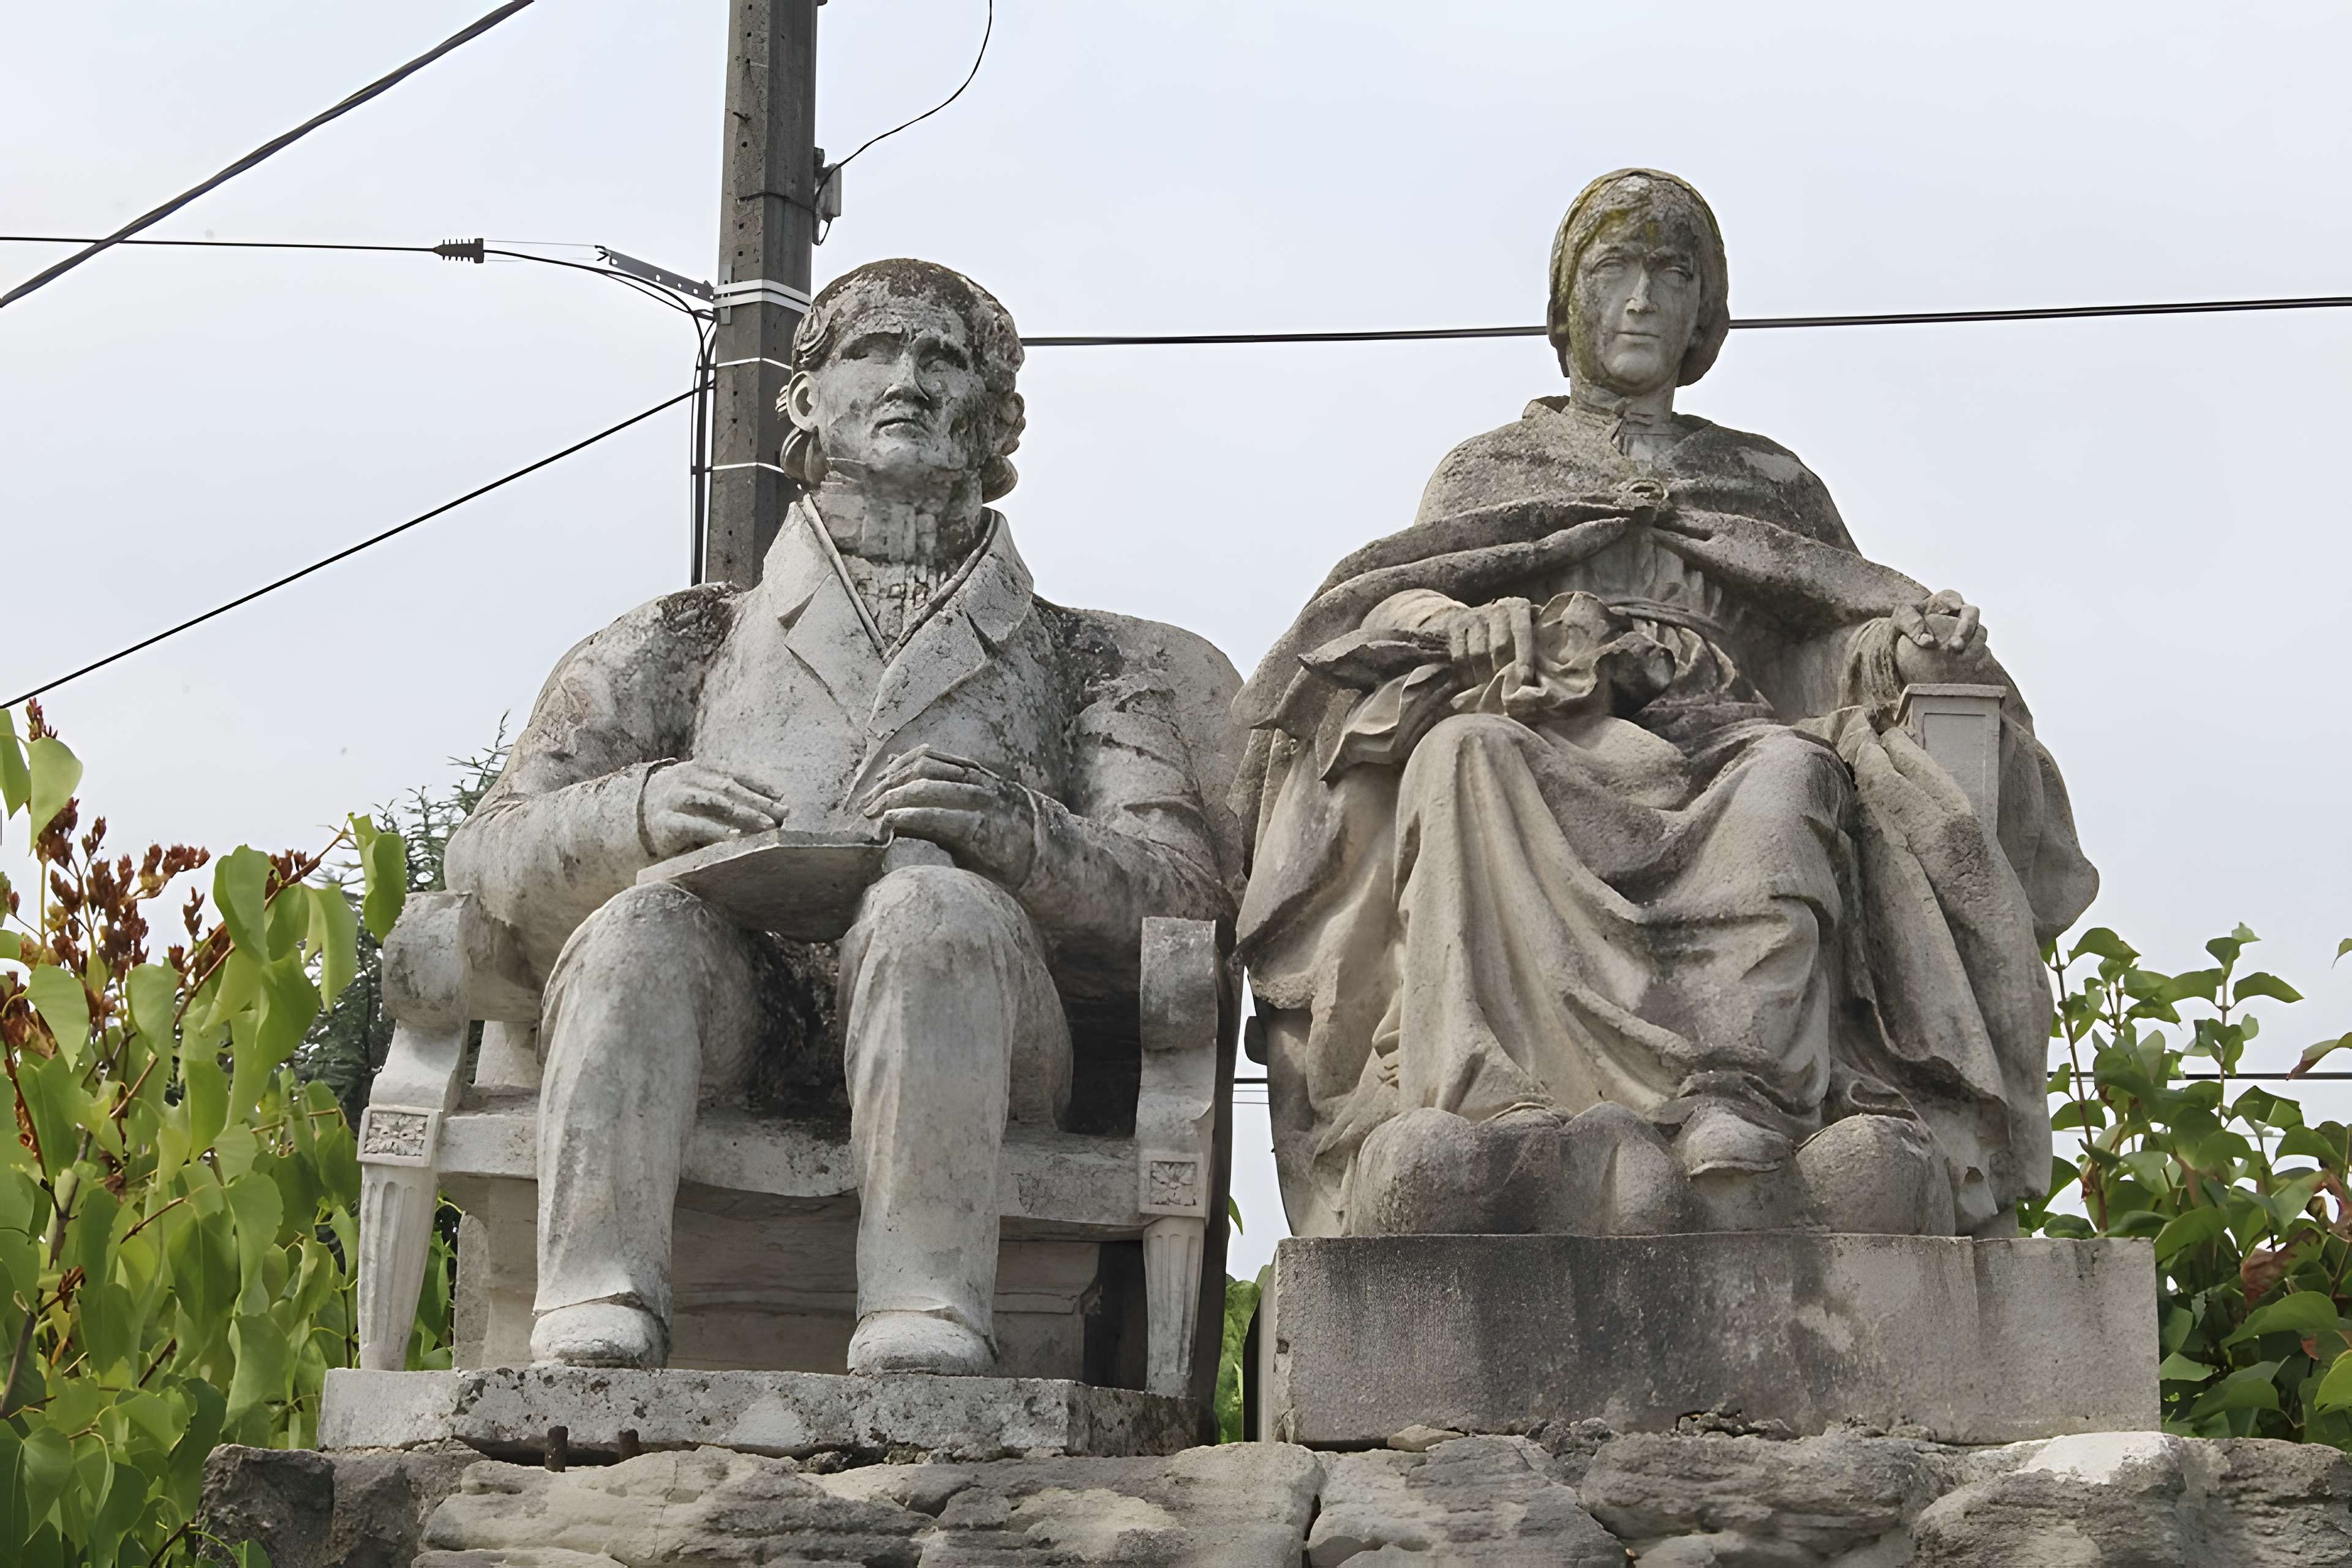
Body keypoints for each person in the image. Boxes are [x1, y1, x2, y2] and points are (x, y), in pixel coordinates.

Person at [1234, 170, 2097, 1241]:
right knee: (1460, 754)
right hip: (1552, 733)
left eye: (1671, 274)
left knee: (1795, 777)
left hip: (1724, 739)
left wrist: (1900, 643)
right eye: (1615, 270)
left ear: (1705, 313)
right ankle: (1495, 1103)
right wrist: (1465, 626)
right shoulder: (1493, 470)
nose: (1642, 299)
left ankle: (1747, 1097)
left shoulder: (1766, 481)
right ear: (1566, 307)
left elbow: (1828, 638)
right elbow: (1385, 602)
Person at [446, 258, 1235, 1374]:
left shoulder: (1088, 662)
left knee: (931, 910)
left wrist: (1028, 835)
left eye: (943, 357)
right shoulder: (687, 637)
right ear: (807, 398)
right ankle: (598, 1306)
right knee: (640, 930)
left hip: (977, 1012)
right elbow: (487, 848)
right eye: (873, 349)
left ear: (998, 418)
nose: (907, 378)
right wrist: (639, 810)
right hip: (736, 1007)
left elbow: (1184, 895)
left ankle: (927, 1313)